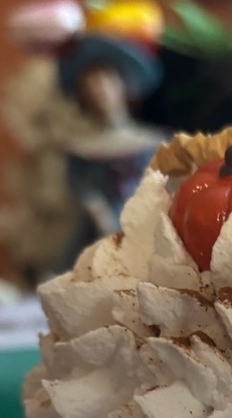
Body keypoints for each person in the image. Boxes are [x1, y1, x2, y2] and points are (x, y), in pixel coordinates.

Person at [57, 34, 165, 262]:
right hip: (99, 231)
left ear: (124, 85)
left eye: (108, 81)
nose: (101, 91)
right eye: (91, 85)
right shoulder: (81, 149)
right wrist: (101, 217)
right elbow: (82, 189)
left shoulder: (152, 142)